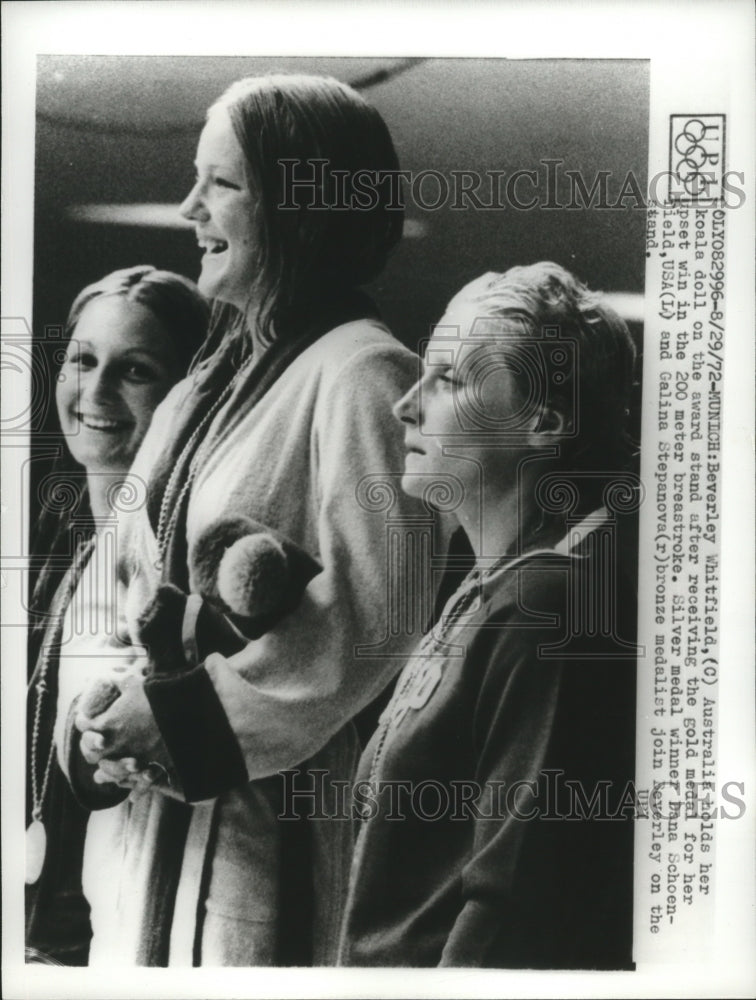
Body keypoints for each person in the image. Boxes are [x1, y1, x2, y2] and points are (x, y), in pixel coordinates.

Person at [55, 74, 442, 966]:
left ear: (302, 203)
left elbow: (369, 626)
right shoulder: (201, 386)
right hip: (143, 837)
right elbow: (119, 586)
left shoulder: (366, 376)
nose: (190, 206)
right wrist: (103, 715)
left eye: (221, 184)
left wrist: (180, 722)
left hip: (269, 838)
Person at [337, 262, 640, 969]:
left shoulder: (551, 605)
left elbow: (514, 909)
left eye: (450, 379)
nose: (404, 405)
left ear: (543, 421)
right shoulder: (506, 579)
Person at [26, 265, 209, 964]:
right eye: (82, 360)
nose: (95, 392)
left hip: (113, 932)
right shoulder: (62, 535)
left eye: (134, 370)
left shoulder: (178, 562)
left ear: (184, 397)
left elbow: (114, 761)